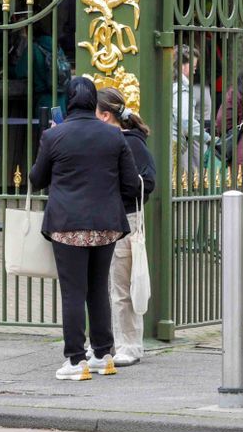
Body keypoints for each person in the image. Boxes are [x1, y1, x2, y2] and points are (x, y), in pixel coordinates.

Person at [29, 77, 141, 380]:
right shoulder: (114, 136)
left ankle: (76, 360)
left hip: (67, 224)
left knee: (73, 292)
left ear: (68, 101)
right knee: (98, 289)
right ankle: (104, 354)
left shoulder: (55, 136)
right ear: (94, 102)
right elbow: (131, 183)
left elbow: (37, 178)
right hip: (106, 224)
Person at [95, 86, 156, 367]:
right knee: (109, 285)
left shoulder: (131, 143)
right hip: (107, 218)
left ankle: (129, 344)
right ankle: (110, 342)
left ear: (105, 115)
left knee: (122, 286)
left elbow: (146, 182)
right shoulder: (110, 140)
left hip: (124, 219)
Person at [171, 45, 215, 176]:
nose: (195, 71)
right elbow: (186, 123)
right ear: (182, 66)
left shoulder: (170, 84)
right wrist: (208, 138)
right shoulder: (181, 90)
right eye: (193, 67)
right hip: (174, 144)